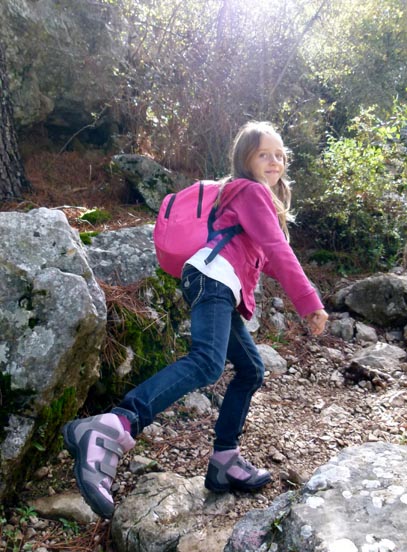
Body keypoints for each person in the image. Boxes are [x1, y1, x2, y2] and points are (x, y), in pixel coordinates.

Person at [63, 121, 328, 519]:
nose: (274, 161)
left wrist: (296, 288)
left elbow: (267, 258)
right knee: (206, 361)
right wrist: (309, 302)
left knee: (251, 369)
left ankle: (224, 460)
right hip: (213, 278)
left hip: (216, 282)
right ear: (246, 160)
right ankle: (114, 426)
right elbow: (276, 247)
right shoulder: (251, 191)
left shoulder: (248, 198)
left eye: (279, 155)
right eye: (264, 154)